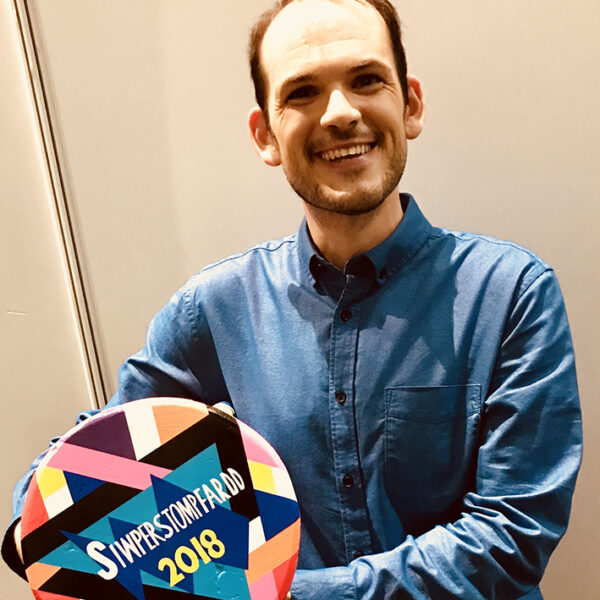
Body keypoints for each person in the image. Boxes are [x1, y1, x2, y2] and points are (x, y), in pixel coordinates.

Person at [4, 0, 582, 598]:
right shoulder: (215, 311)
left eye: (366, 80)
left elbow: (514, 535)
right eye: (302, 93)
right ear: (266, 135)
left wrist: (279, 593)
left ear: (410, 105)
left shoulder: (511, 293)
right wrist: (51, 531)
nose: (340, 113)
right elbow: (77, 471)